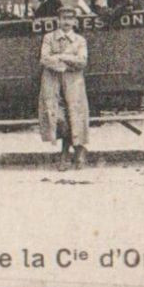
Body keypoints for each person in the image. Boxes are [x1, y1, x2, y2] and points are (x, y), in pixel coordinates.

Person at [39, 14, 90, 170]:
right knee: (58, 118)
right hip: (52, 83)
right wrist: (67, 63)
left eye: (70, 18)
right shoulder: (49, 38)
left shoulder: (80, 40)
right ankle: (78, 150)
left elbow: (82, 61)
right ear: (58, 20)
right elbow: (44, 59)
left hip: (73, 84)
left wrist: (60, 56)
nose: (67, 22)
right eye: (63, 18)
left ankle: (67, 155)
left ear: (75, 22)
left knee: (74, 115)